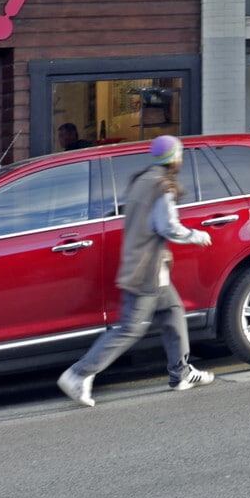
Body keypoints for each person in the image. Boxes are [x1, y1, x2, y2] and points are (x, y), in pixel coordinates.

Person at [57, 136, 214, 405]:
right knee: (130, 329)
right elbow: (167, 227)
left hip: (147, 267)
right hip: (146, 271)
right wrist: (196, 235)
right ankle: (78, 373)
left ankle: (181, 373)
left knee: (173, 312)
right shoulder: (161, 187)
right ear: (175, 158)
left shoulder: (140, 181)